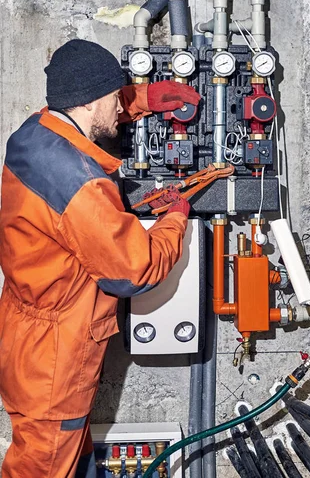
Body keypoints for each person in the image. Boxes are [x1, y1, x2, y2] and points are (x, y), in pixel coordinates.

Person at [0, 39, 201, 477]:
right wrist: (175, 218)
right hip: (55, 363)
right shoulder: (82, 185)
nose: (119, 106)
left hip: (28, 341)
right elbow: (135, 271)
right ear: (91, 101)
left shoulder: (33, 135)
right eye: (116, 97)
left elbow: (92, 112)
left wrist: (143, 99)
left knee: (76, 461)